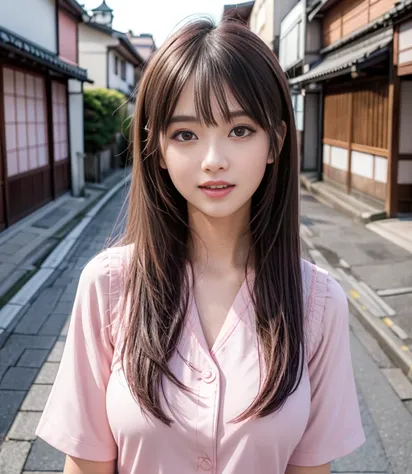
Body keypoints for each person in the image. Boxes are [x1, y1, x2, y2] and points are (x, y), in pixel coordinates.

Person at [35, 17, 365, 474]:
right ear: (159, 149)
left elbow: (311, 468)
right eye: (186, 134)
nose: (213, 161)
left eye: (241, 130)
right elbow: (85, 463)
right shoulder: (108, 286)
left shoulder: (318, 301)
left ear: (276, 143)